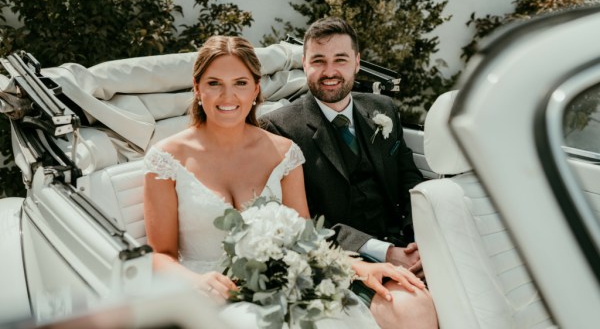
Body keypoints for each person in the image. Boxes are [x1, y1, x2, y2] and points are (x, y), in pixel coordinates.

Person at [143, 35, 425, 329]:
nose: (228, 97)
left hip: (285, 286)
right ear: (198, 88)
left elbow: (307, 241)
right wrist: (196, 282)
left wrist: (359, 267)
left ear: (255, 89)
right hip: (210, 295)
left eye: (240, 83)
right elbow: (159, 255)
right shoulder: (167, 159)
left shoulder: (284, 153)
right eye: (214, 83)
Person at [262, 17, 437, 328]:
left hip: (410, 246)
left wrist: (419, 242)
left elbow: (410, 181)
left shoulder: (384, 109)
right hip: (344, 256)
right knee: (413, 311)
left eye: (340, 59)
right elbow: (300, 221)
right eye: (318, 60)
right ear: (304, 63)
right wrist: (386, 252)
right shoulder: (278, 128)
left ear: (357, 62)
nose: (330, 71)